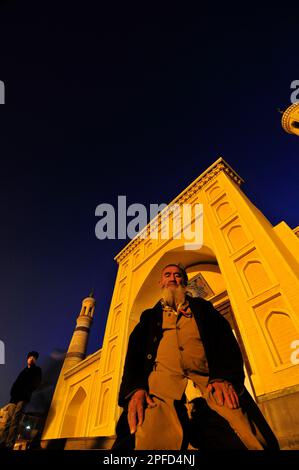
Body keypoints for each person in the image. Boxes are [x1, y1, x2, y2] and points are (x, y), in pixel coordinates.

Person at [114, 264, 279, 450]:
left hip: (208, 377)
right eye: (167, 275)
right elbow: (134, 354)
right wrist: (135, 389)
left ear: (184, 282)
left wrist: (223, 376)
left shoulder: (202, 308)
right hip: (161, 383)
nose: (172, 278)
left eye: (177, 275)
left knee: (241, 421)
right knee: (147, 432)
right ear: (161, 282)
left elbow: (225, 340)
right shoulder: (150, 317)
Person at [0, 351, 42, 450]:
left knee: (15, 419)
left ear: (35, 360)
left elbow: (36, 383)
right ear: (27, 359)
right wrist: (12, 392)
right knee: (8, 420)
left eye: (34, 358)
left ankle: (9, 444)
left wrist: (28, 390)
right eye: (30, 357)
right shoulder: (23, 371)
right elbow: (16, 382)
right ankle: (2, 442)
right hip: (14, 398)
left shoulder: (37, 370)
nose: (31, 359)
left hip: (23, 397)